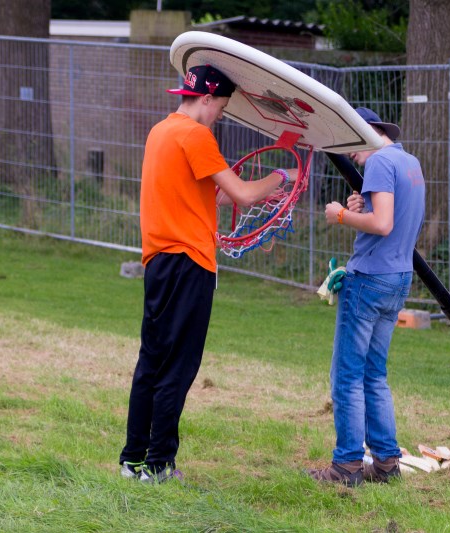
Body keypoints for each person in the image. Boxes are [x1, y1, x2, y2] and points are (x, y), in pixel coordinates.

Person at [119, 64, 295, 484]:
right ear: (207, 98)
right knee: (178, 366)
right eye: (222, 106)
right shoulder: (197, 134)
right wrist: (282, 176)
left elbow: (201, 191)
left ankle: (133, 461)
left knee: (152, 361)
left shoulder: (162, 131)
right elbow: (243, 194)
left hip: (159, 261)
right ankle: (160, 465)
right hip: (189, 262)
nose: (220, 114)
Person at [308, 107, 426, 486]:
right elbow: (391, 218)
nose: (352, 153)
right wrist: (364, 207)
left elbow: (382, 224)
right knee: (375, 375)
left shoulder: (378, 163)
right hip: (398, 278)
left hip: (369, 280)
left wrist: (341, 214)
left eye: (353, 142)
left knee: (347, 375)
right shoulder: (409, 162)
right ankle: (387, 464)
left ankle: (346, 467)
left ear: (369, 133)